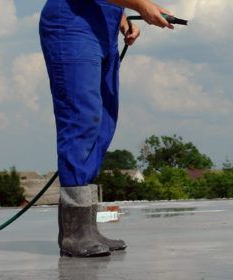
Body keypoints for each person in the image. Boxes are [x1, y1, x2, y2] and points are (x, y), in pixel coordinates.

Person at [39, 0, 174, 257]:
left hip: (104, 28)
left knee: (103, 120)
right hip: (72, 24)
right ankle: (73, 232)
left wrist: (122, 20)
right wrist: (143, 6)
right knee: (82, 116)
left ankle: (87, 227)